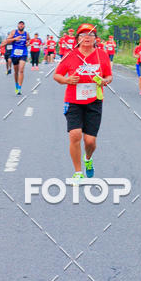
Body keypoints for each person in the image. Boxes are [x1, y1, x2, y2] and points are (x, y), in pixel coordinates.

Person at [53, 24, 112, 183]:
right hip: (73, 100)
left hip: (94, 101)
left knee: (90, 141)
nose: (87, 37)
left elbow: (109, 76)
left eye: (90, 35)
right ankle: (78, 172)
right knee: (75, 134)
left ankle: (88, 158)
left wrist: (105, 81)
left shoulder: (101, 55)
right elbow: (57, 76)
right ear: (77, 39)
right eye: (83, 35)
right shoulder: (71, 55)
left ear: (95, 39)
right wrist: (67, 80)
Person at [4, 21, 29, 94]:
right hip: (15, 54)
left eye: (22, 25)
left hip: (23, 53)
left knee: (21, 70)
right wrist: (15, 39)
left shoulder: (26, 33)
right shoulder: (13, 32)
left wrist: (28, 43)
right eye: (20, 24)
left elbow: (28, 40)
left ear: (24, 26)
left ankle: (19, 88)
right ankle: (16, 85)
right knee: (16, 72)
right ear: (18, 26)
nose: (21, 26)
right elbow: (7, 41)